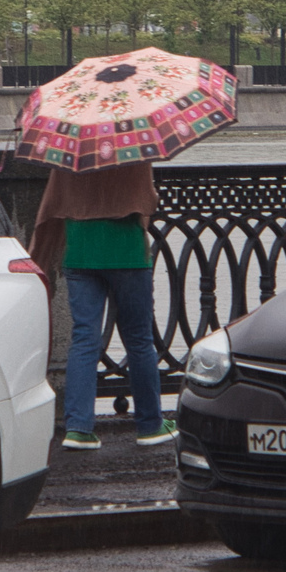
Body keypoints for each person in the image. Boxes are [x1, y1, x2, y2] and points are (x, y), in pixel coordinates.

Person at [31, 160, 175, 452]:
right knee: (138, 338)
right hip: (127, 251)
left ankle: (79, 428)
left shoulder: (70, 148)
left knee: (85, 337)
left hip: (81, 249)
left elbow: (53, 202)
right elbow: (147, 200)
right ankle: (150, 425)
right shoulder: (133, 144)